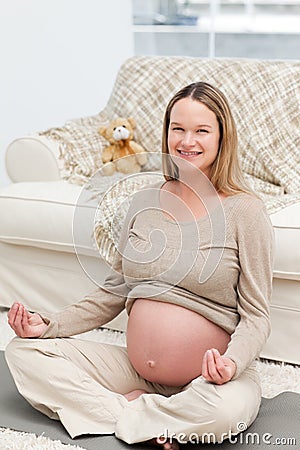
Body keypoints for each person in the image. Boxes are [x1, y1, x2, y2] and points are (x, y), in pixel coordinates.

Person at [5, 82, 274, 450]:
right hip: (135, 372)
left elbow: (257, 315)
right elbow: (114, 290)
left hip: (210, 379)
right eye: (177, 128)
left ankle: (131, 414)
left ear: (222, 137)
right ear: (166, 132)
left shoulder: (247, 211)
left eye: (201, 130)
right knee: (24, 353)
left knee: (225, 413)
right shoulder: (145, 200)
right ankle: (149, 418)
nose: (186, 140)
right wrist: (50, 325)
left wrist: (231, 363)